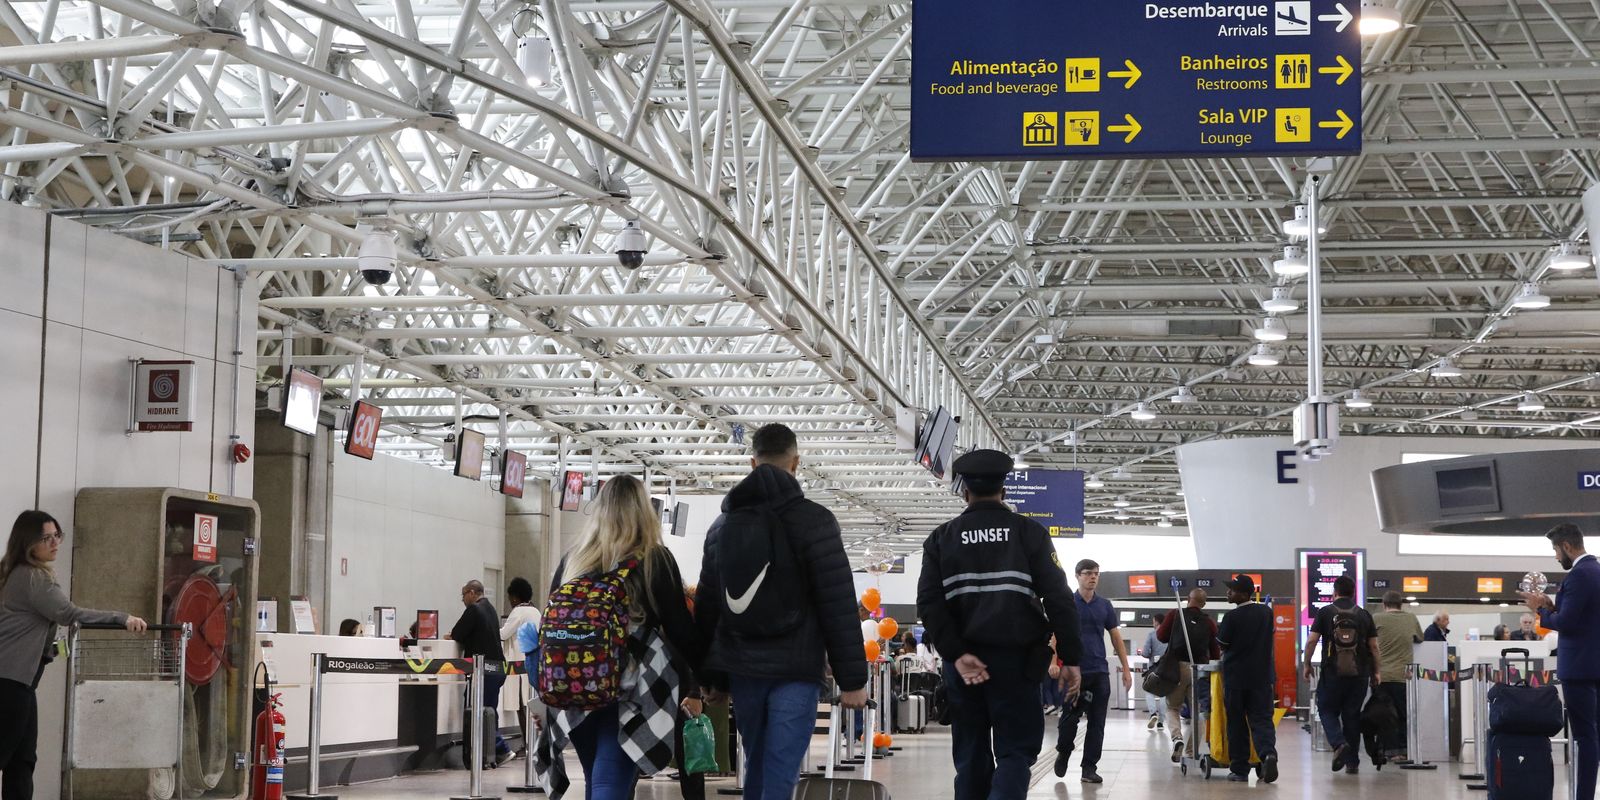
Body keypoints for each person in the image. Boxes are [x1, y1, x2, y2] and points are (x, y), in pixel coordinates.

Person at [695, 423, 868, 800]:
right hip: (796, 668)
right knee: (780, 767)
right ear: (796, 463)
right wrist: (853, 679)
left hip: (743, 669)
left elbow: (708, 606)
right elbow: (837, 602)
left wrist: (707, 676)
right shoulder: (815, 522)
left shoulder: (721, 527)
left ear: (753, 463)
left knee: (757, 761)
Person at [916, 449, 1081, 800]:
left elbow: (929, 605)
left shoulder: (941, 539)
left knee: (972, 755)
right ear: (1004, 490)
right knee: (1015, 753)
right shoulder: (1030, 534)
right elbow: (1059, 599)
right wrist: (1071, 658)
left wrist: (957, 654)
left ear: (965, 492)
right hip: (1018, 665)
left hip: (964, 668)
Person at [535, 475, 707, 800]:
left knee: (596, 779)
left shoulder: (573, 561)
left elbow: (552, 631)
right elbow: (682, 632)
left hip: (573, 686)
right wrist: (707, 679)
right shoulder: (654, 559)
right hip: (630, 690)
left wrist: (541, 692)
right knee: (609, 783)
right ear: (644, 512)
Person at [0, 510, 148, 800]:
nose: (55, 543)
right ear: (29, 542)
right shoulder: (33, 578)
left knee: (22, 761)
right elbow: (69, 613)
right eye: (47, 537)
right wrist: (121, 618)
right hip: (11, 682)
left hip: (20, 682)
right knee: (12, 756)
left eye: (57, 535)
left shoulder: (15, 573)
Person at [1521, 524, 1600, 800]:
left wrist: (1540, 609)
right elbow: (1584, 616)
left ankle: (1585, 796)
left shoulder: (1578, 575)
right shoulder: (1597, 570)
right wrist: (1552, 606)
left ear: (1567, 546)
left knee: (1585, 737)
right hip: (1595, 663)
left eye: (1555, 550)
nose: (1556, 557)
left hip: (1579, 667)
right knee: (1595, 734)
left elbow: (1567, 623)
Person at [1053, 559, 1129, 783]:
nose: (1093, 577)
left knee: (1097, 723)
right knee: (1069, 720)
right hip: (1073, 670)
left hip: (1099, 672)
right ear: (1077, 576)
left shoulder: (1104, 605)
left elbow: (1116, 638)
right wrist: (1052, 661)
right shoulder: (1068, 603)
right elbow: (1056, 635)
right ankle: (1064, 750)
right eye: (1088, 573)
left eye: (1096, 573)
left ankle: (1089, 768)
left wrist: (1125, 668)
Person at [1303, 575, 1381, 775]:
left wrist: (1307, 664)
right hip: (1360, 673)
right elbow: (1374, 646)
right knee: (1352, 715)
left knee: (1327, 710)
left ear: (1334, 593)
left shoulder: (1325, 612)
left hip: (1332, 673)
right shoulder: (1364, 615)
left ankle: (1338, 744)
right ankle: (1352, 763)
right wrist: (1376, 671)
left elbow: (1311, 641)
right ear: (1354, 593)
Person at [1216, 574, 1278, 784]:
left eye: (1232, 590)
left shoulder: (1231, 617)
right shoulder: (1266, 613)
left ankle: (1240, 769)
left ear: (1243, 593)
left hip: (1236, 678)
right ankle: (1268, 754)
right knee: (1261, 719)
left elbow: (1222, 644)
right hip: (1262, 677)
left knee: (1237, 723)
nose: (1228, 593)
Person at [450, 579, 511, 767]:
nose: (462, 600)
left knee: (480, 709)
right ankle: (492, 753)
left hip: (484, 669)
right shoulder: (490, 608)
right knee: (489, 709)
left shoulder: (474, 609)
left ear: (471, 592)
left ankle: (500, 749)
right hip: (497, 667)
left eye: (463, 595)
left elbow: (457, 633)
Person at [1156, 589, 1222, 760]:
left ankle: (1177, 738)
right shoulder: (1209, 623)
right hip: (1199, 670)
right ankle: (1192, 751)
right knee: (1198, 712)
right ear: (1204, 604)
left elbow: (1161, 636)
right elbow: (1215, 653)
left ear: (1187, 599)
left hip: (1176, 668)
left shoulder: (1175, 614)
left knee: (1172, 707)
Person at [1372, 590, 1423, 761]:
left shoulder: (1376, 618)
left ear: (1384, 604)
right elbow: (1420, 638)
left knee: (1383, 714)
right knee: (1402, 714)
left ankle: (1386, 750)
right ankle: (1402, 751)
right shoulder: (1411, 618)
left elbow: (1369, 643)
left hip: (1382, 675)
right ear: (1401, 605)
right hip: (1403, 676)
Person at [500, 577, 541, 754]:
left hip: (518, 664)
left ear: (515, 597)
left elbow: (503, 634)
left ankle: (528, 744)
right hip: (534, 662)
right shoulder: (536, 611)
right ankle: (534, 743)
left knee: (522, 706)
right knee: (531, 703)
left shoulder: (518, 611)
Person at [1141, 628, 1168, 731]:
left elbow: (1145, 653)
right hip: (1167, 668)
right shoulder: (1169, 635)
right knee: (1164, 694)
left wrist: (1150, 655)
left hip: (1154, 668)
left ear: (1156, 622)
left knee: (1149, 690)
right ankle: (1161, 722)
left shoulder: (1152, 635)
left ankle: (1153, 713)